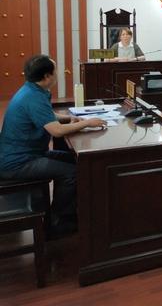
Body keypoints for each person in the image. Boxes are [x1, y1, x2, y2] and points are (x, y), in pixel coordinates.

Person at [0, 55, 107, 236]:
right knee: (71, 172)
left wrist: (68, 118)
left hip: (28, 153)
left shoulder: (31, 90)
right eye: (55, 71)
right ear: (47, 76)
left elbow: (46, 115)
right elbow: (56, 131)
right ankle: (59, 221)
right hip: (18, 163)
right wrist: (87, 123)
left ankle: (75, 210)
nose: (58, 74)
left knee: (75, 160)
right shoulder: (33, 97)